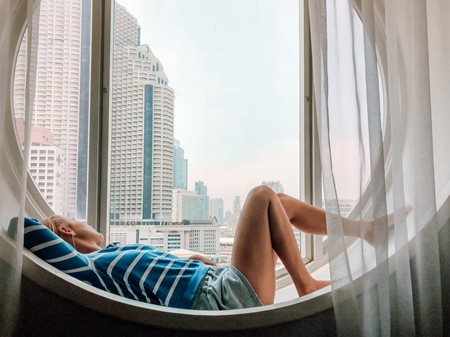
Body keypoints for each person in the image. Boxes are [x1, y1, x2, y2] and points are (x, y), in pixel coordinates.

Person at [41, 185, 378, 310]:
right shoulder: (98, 265)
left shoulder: (111, 252)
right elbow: (26, 230)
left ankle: (366, 229)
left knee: (281, 201)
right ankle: (305, 284)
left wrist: (198, 261)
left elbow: (159, 271)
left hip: (217, 283)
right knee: (261, 196)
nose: (84, 220)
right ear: (68, 230)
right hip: (221, 298)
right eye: (75, 218)